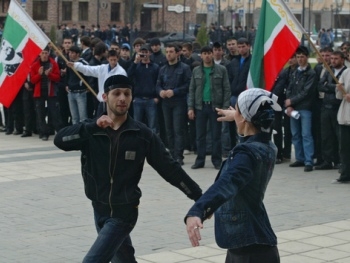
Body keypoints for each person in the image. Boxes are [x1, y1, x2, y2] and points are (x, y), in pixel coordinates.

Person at [54, 75, 202, 263]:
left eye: (127, 94)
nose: (122, 98)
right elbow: (60, 140)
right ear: (105, 96)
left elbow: (170, 169)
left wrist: (200, 197)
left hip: (124, 212)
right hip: (98, 208)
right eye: (116, 93)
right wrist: (92, 127)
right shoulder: (92, 130)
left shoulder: (142, 134)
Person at [185, 88, 281, 263]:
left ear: (245, 117)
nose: (234, 112)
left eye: (237, 109)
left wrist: (199, 210)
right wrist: (239, 117)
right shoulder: (266, 146)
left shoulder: (247, 155)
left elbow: (227, 183)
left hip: (250, 250)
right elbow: (253, 135)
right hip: (252, 242)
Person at [188, 46, 231, 170]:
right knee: (200, 135)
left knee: (216, 135)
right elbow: (192, 89)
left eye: (209, 53)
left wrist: (225, 108)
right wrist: (190, 107)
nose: (207, 56)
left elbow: (226, 89)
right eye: (204, 53)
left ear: (212, 54)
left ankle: (216, 160)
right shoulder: (196, 70)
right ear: (201, 55)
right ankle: (200, 160)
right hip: (200, 106)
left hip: (215, 107)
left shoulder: (221, 70)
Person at [156, 44, 192, 165]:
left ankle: (178, 156)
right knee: (168, 129)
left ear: (177, 53)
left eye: (171, 51)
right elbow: (158, 84)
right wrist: (160, 91)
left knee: (178, 129)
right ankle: (170, 154)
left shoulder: (184, 68)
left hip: (179, 101)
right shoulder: (162, 69)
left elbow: (188, 85)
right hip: (166, 102)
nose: (169, 54)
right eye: (167, 52)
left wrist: (174, 91)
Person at [67, 49, 126, 117]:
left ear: (117, 59)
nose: (113, 62)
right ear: (107, 59)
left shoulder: (121, 72)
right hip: (102, 101)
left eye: (114, 60)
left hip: (114, 102)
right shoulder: (102, 68)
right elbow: (88, 69)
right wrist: (76, 65)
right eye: (111, 60)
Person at [285, 46, 317, 172]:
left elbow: (306, 92)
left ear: (307, 57)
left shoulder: (311, 73)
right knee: (296, 134)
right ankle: (300, 158)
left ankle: (308, 160)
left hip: (305, 107)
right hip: (294, 108)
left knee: (306, 134)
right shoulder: (294, 72)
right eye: (298, 57)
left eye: (302, 57)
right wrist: (289, 104)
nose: (300, 59)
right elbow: (290, 88)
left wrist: (291, 101)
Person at [315, 51, 346, 170]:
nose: (333, 61)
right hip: (326, 106)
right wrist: (334, 87)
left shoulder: (346, 72)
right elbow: (320, 85)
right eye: (332, 58)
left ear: (342, 60)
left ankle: (340, 161)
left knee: (339, 136)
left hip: (338, 107)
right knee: (326, 136)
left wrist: (335, 88)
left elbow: (344, 88)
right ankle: (327, 160)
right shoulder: (329, 70)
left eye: (336, 59)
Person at [30, 47, 63, 141]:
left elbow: (57, 78)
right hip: (39, 92)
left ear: (48, 53)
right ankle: (44, 132)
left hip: (51, 92)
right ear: (39, 54)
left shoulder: (53, 63)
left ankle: (58, 131)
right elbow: (32, 80)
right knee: (40, 113)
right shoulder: (35, 65)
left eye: (46, 53)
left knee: (54, 112)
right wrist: (39, 74)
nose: (44, 55)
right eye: (42, 53)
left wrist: (50, 75)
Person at [127, 44, 159, 133]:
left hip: (151, 99)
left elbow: (158, 82)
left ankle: (153, 144)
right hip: (138, 99)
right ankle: (138, 144)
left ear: (150, 53)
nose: (144, 54)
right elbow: (128, 76)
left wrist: (157, 97)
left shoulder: (155, 67)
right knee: (137, 124)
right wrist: (135, 62)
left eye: (146, 52)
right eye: (142, 52)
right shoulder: (136, 66)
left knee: (152, 125)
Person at [65, 46, 89, 124]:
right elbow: (67, 75)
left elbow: (89, 74)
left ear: (78, 54)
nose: (70, 54)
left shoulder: (84, 63)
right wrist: (67, 84)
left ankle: (83, 134)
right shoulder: (68, 63)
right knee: (74, 118)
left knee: (83, 118)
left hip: (80, 92)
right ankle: (75, 134)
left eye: (72, 53)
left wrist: (87, 86)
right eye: (69, 52)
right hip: (71, 92)